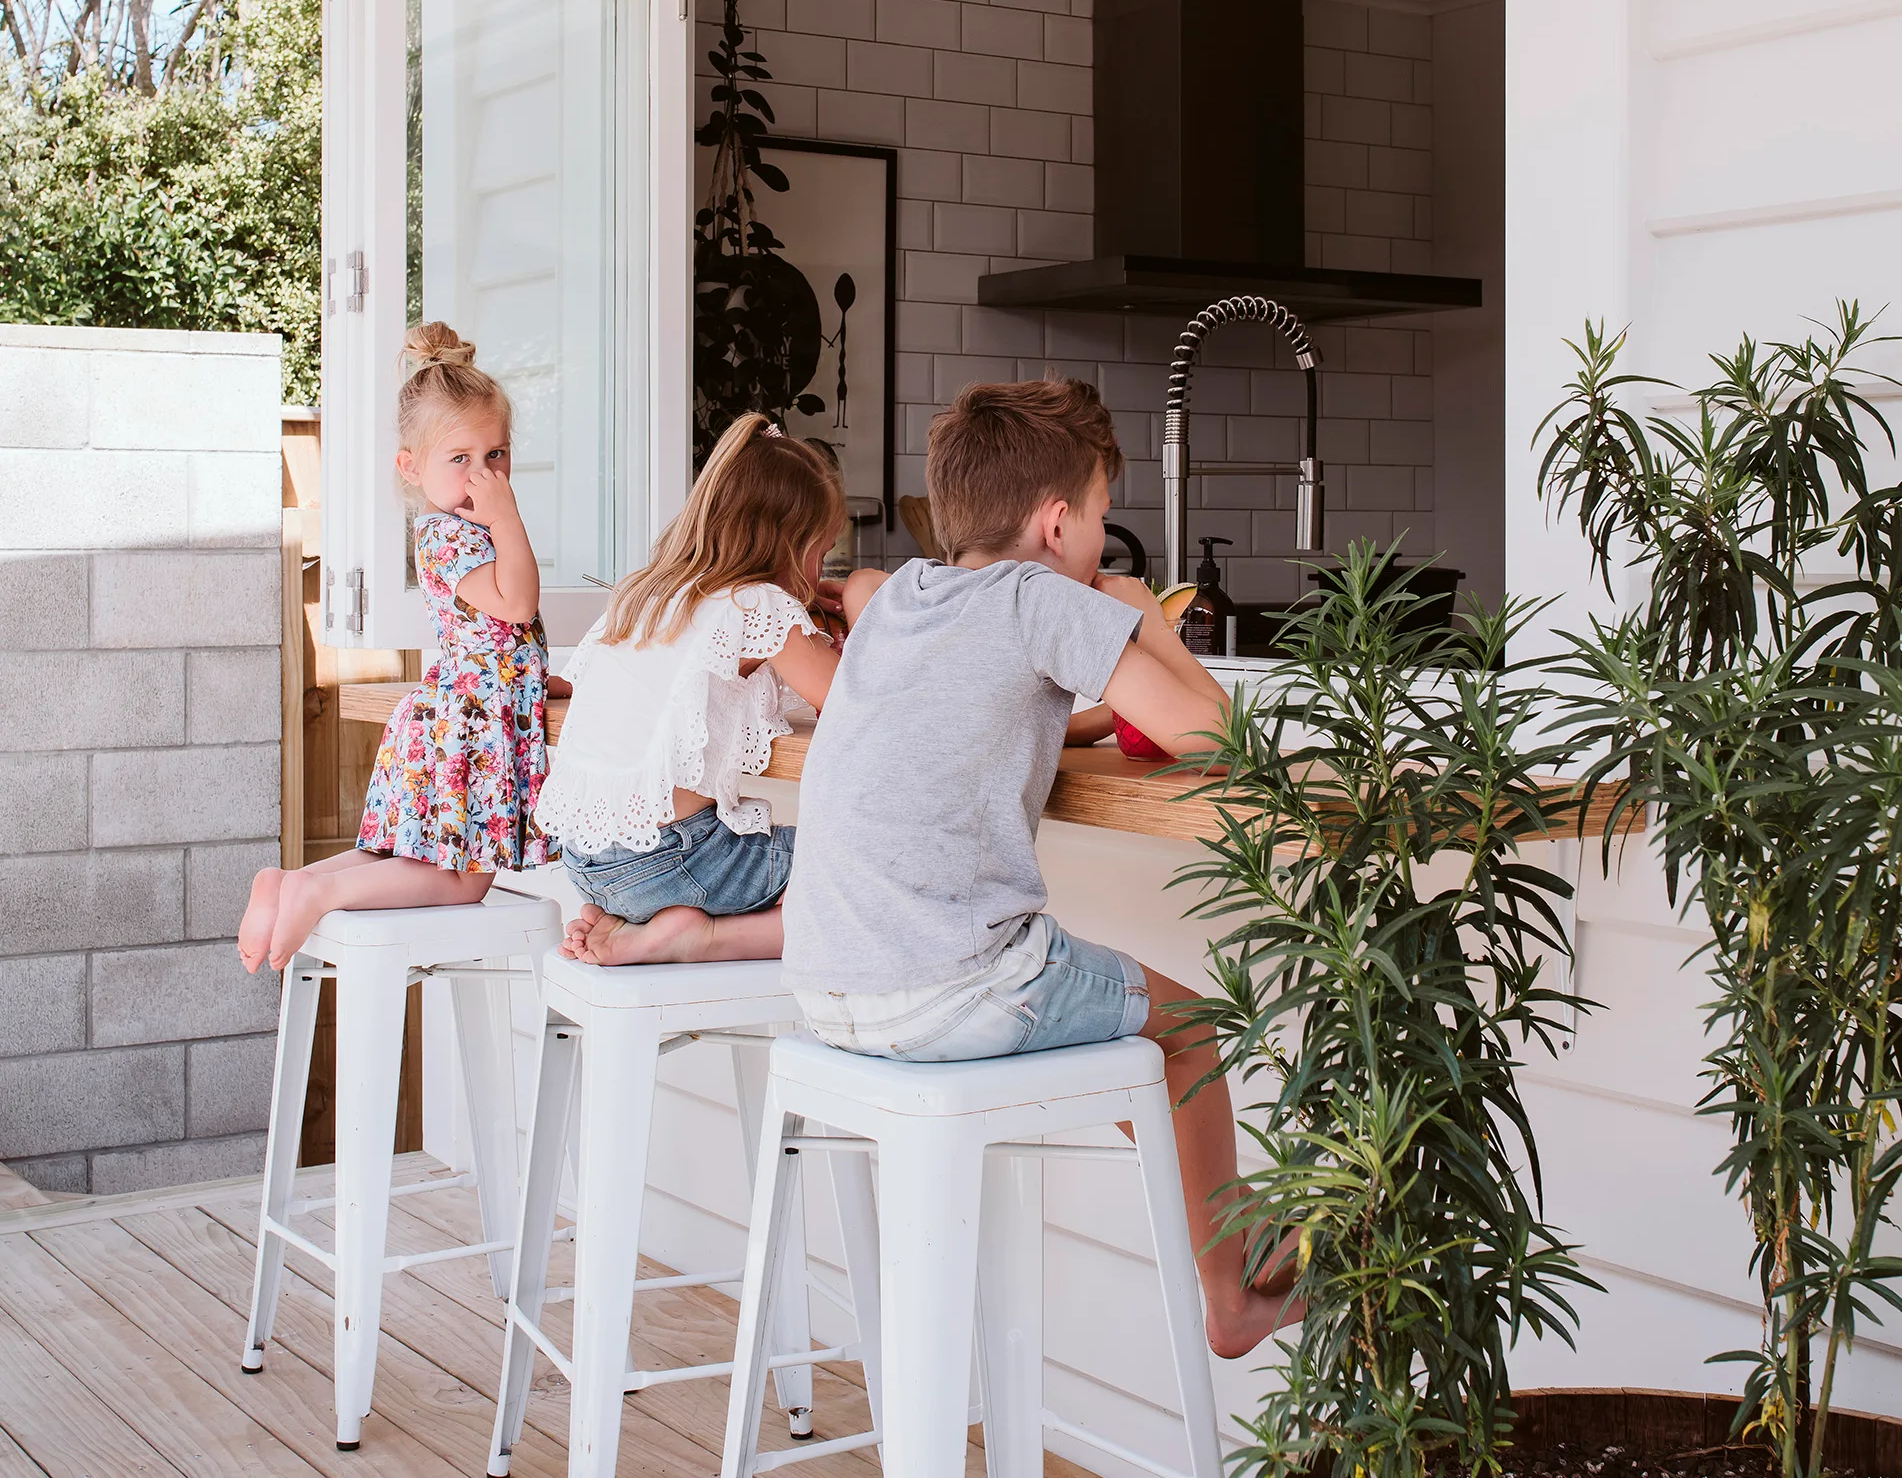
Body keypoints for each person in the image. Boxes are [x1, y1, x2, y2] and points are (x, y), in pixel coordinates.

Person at [782, 377, 1300, 1359]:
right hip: (947, 984)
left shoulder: (903, 596)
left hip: (827, 982)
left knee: (1121, 1024)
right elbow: (1221, 734)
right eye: (1104, 514)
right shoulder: (1042, 598)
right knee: (1190, 1030)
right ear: (1058, 523)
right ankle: (1231, 1287)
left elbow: (995, 708)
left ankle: (1236, 1226)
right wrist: (1143, 617)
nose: (1105, 540)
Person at [237, 323, 559, 973]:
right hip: (467, 726)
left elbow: (502, 633)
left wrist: (538, 678)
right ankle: (316, 890)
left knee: (407, 861)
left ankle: (292, 882)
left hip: (464, 708)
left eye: (495, 455)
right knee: (465, 881)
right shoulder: (453, 537)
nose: (485, 475)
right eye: (460, 459)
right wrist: (509, 518)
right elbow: (519, 602)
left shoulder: (465, 532)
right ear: (411, 468)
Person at [537, 413, 849, 966]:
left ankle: (640, 920)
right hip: (674, 862)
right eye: (819, 551)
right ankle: (702, 938)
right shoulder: (760, 604)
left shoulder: (646, 595)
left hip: (588, 865)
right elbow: (851, 705)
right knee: (866, 870)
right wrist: (847, 613)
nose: (819, 568)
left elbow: (580, 678)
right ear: (786, 544)